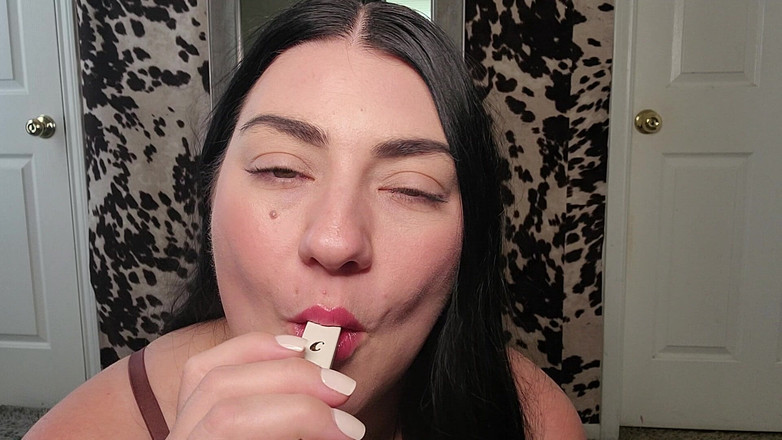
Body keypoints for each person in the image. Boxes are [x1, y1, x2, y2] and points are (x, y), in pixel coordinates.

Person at [26, 0, 584, 438]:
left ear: (470, 234)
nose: (336, 241)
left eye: (411, 188)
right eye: (281, 169)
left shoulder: (536, 420)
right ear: (210, 193)